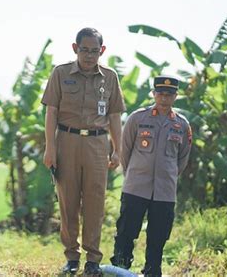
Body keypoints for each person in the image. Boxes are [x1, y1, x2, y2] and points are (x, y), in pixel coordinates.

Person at [42, 27, 126, 275]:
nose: (89, 56)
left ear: (102, 51)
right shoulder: (60, 73)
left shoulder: (109, 77)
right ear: (75, 48)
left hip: (97, 145)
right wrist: (50, 147)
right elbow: (51, 112)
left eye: (94, 51)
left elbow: (114, 116)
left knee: (95, 202)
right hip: (67, 141)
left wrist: (117, 151)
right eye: (84, 50)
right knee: (68, 202)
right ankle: (71, 257)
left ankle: (93, 259)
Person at [110, 76, 192, 276]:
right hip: (136, 187)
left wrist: (168, 175)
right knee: (126, 230)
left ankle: (152, 270)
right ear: (154, 94)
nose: (164, 98)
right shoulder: (138, 118)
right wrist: (136, 173)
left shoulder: (182, 125)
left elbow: (182, 159)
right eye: (160, 94)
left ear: (175, 96)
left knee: (158, 235)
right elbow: (125, 151)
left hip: (164, 191)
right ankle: (121, 267)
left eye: (169, 94)